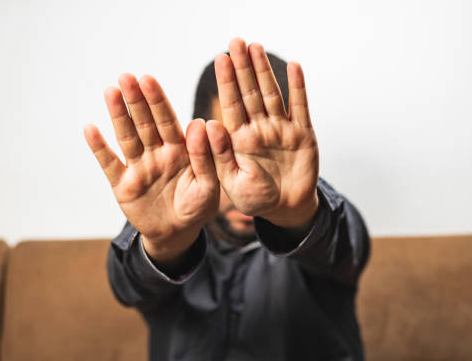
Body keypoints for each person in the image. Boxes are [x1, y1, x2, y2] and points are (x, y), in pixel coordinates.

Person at [83, 38, 370, 361]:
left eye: (263, 155)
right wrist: (164, 246)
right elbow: (127, 284)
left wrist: (297, 215)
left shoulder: (322, 225)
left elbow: (347, 247)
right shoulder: (168, 224)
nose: (250, 177)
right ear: (198, 146)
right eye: (230, 149)